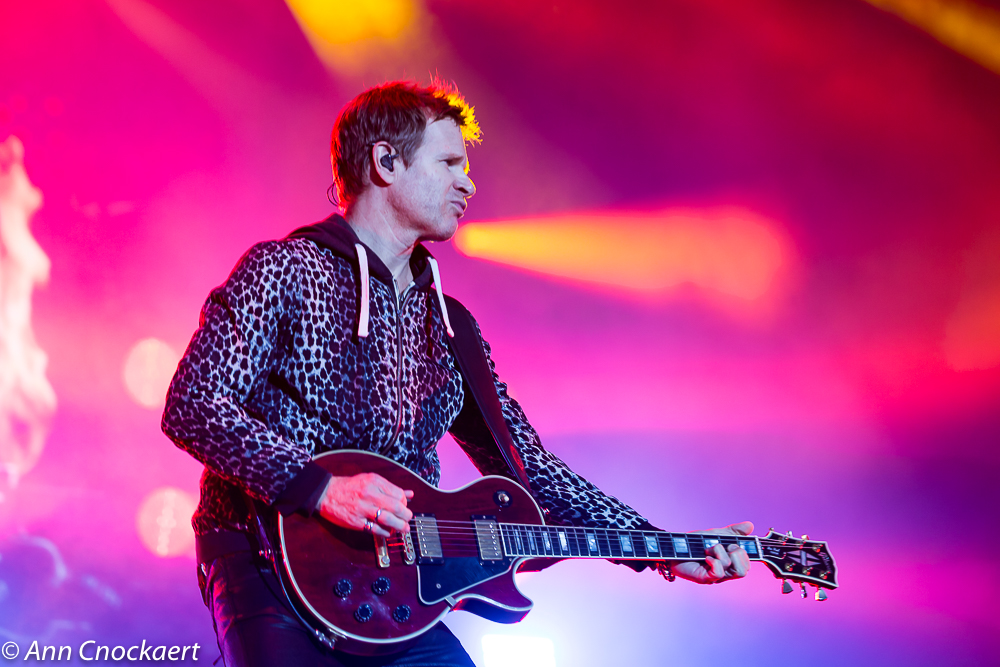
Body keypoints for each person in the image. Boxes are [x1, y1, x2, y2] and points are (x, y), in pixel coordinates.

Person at [161, 80, 752, 667]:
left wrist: (665, 549)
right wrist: (322, 488)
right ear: (386, 163)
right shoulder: (285, 270)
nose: (467, 183)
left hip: (400, 590)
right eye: (448, 163)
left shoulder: (450, 327)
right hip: (266, 565)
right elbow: (193, 403)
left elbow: (532, 469)